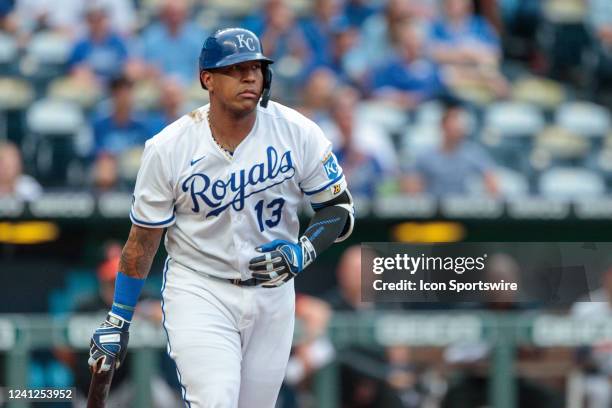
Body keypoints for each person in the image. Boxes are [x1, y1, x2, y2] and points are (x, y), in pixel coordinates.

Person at [87, 28, 355, 408]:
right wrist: (119, 317)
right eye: (236, 69)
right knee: (215, 401)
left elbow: (339, 208)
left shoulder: (297, 132)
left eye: (256, 68)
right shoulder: (168, 147)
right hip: (201, 286)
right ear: (207, 79)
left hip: (272, 292)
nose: (249, 77)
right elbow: (143, 240)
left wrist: (303, 251)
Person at [401, 98, 499, 197]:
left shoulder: (474, 153)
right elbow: (411, 188)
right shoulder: (425, 155)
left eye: (461, 122)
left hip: (465, 208)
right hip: (432, 208)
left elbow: (492, 182)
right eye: (454, 120)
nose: (459, 126)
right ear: (442, 125)